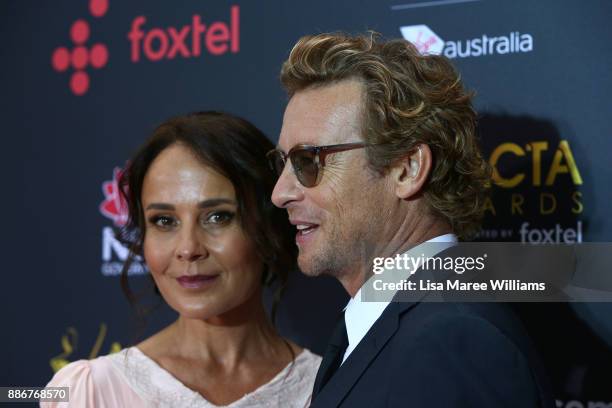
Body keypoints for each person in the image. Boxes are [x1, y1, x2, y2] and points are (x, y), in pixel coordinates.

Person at [268, 33, 555, 407]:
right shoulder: (388, 322)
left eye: (309, 161)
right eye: (283, 162)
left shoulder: (454, 339)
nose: (280, 192)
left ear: (407, 168)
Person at [44, 112, 321, 407]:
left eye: (218, 216)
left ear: (268, 224)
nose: (188, 248)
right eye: (164, 221)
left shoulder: (333, 388)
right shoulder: (88, 393)